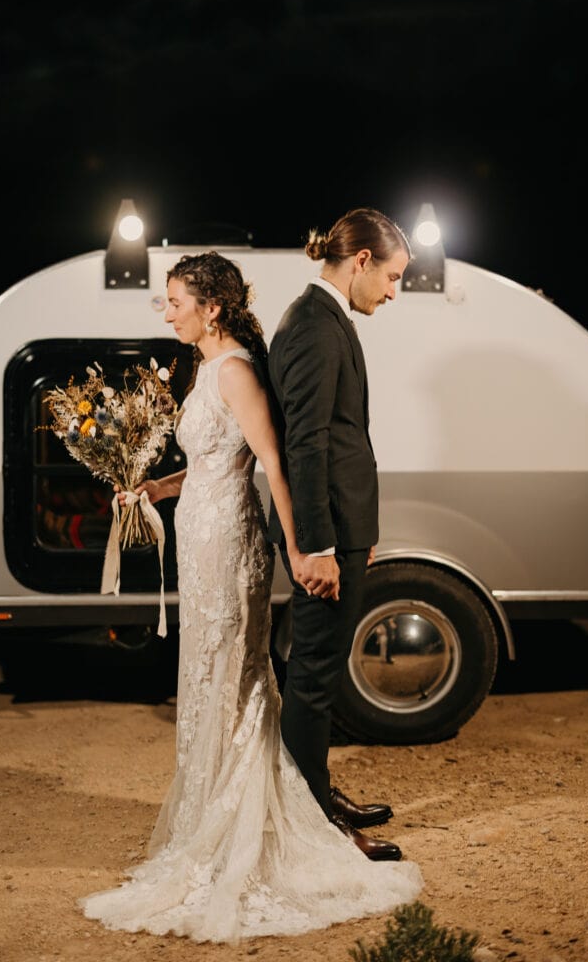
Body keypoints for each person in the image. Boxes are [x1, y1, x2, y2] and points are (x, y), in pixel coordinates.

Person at [78, 250, 422, 944]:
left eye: (172, 300)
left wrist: (300, 549)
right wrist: (155, 488)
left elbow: (271, 461)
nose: (164, 311)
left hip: (230, 543)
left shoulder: (234, 368)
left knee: (232, 675)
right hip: (199, 538)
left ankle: (272, 817)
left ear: (210, 306)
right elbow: (212, 461)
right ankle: (223, 811)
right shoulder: (209, 367)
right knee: (211, 678)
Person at [267, 207, 411, 860]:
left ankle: (317, 793)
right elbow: (306, 442)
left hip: (343, 530)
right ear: (360, 262)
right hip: (324, 537)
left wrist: (357, 534)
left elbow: (342, 436)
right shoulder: (311, 326)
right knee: (314, 676)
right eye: (392, 276)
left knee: (319, 674)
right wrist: (319, 546)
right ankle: (313, 825)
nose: (392, 290)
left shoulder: (326, 318)